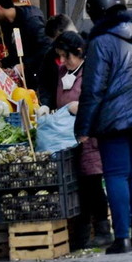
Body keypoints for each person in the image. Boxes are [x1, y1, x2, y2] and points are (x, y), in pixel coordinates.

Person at [75, 0, 132, 255]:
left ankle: (122, 238)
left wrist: (84, 127)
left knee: (116, 175)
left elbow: (93, 89)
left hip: (113, 119)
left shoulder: (101, 42)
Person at [45, 31, 111, 250]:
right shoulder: (62, 72)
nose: (63, 61)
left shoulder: (91, 71)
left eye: (67, 56)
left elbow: (99, 102)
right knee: (78, 188)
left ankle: (103, 230)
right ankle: (80, 236)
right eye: (60, 57)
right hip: (66, 139)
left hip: (88, 138)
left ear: (79, 52)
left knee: (92, 185)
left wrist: (80, 110)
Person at [0, 0, 50, 88]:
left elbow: (47, 49)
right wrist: (2, 63)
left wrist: (25, 66)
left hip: (41, 79)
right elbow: (16, 54)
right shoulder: (6, 24)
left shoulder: (31, 21)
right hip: (24, 79)